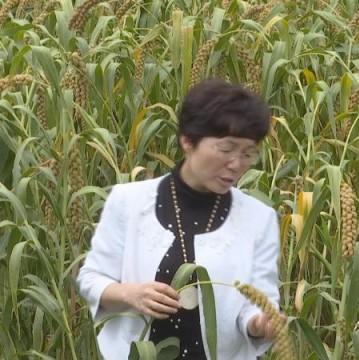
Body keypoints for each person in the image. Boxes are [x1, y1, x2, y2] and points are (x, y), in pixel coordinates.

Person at [77, 79, 281, 360]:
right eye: (226, 149)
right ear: (188, 140)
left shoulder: (260, 219)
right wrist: (131, 294)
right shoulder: (129, 202)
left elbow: (259, 303)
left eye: (248, 153)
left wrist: (261, 324)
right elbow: (91, 279)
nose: (236, 164)